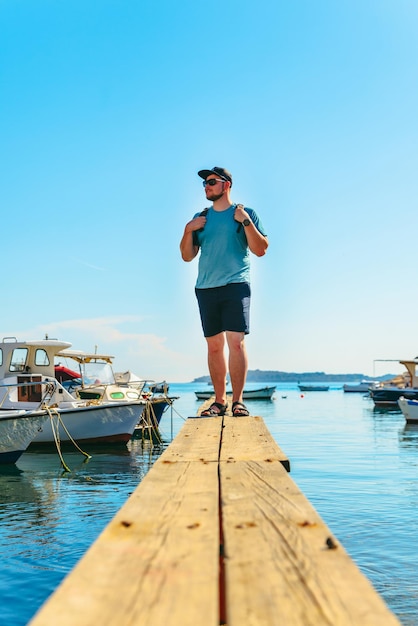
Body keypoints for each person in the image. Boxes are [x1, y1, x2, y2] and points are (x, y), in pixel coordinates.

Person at [180, 166, 268, 417]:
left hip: (236, 284)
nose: (206, 186)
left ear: (226, 184)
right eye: (204, 183)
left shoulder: (245, 213)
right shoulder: (201, 217)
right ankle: (219, 401)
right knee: (214, 347)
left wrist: (246, 222)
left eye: (211, 182)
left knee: (236, 343)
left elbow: (261, 249)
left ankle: (238, 401)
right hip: (206, 288)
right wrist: (188, 228)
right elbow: (187, 256)